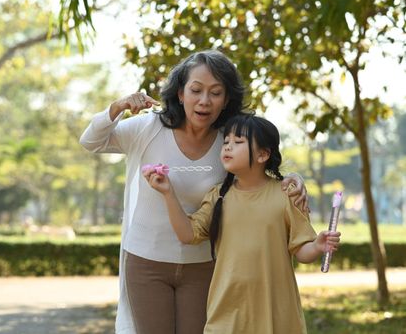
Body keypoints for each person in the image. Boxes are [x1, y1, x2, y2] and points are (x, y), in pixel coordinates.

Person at [79, 50, 309, 334]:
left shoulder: (229, 139)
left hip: (204, 264)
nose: (204, 101)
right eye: (196, 90)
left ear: (226, 100)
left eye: (215, 92)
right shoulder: (147, 127)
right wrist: (116, 108)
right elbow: (91, 141)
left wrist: (294, 178)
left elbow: (259, 172)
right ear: (180, 93)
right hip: (146, 260)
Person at [144, 113, 341, 333]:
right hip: (226, 314)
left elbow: (301, 250)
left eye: (238, 142)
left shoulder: (286, 194)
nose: (227, 147)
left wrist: (317, 246)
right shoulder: (218, 196)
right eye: (226, 141)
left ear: (263, 154)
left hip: (276, 314)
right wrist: (168, 193)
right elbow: (187, 234)